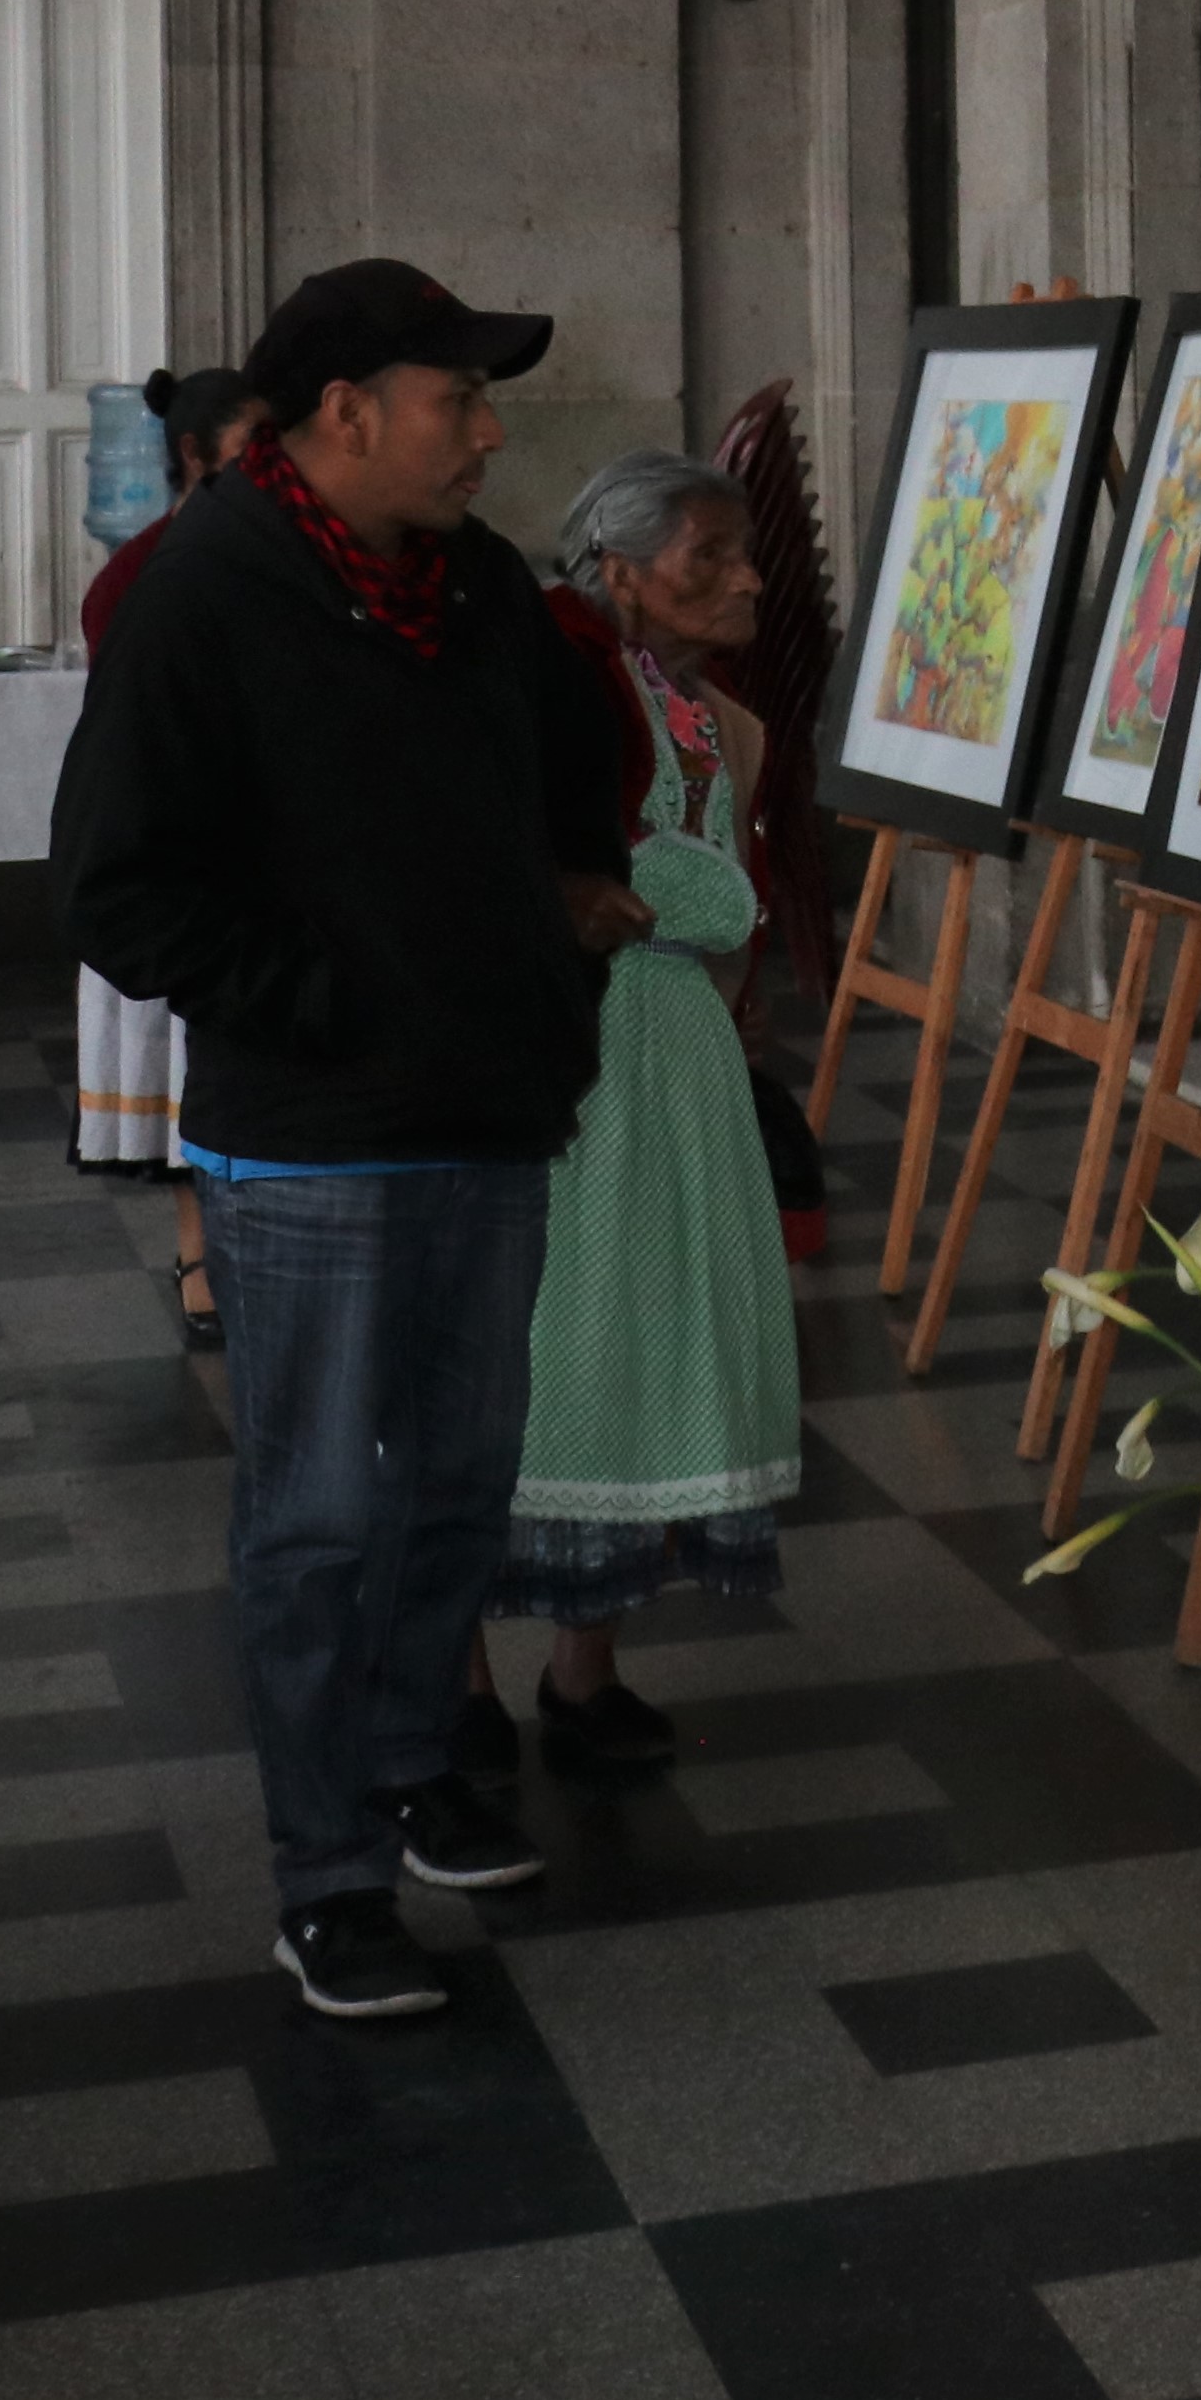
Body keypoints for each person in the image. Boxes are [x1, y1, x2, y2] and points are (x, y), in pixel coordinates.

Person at [52, 260, 651, 2024]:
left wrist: (546, 928)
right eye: (455, 395)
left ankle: (410, 1772)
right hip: (312, 1134)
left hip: (482, 1107)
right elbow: (116, 884)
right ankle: (324, 1873)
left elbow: (564, 782)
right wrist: (321, 998)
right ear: (340, 415)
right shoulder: (204, 594)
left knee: (460, 1476)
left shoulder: (470, 585)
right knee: (316, 1513)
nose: (485, 427)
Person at [479, 452, 804, 1772]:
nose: (746, 577)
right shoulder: (554, 684)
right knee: (558, 1337)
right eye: (708, 555)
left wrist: (720, 928)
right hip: (584, 1052)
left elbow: (709, 884)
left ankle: (584, 1667)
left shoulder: (703, 706)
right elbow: (627, 869)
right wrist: (712, 902)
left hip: (675, 1062)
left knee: (652, 1330)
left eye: (743, 554)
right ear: (619, 569)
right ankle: (457, 1687)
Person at [71, 367, 274, 1351]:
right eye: (251, 449)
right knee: (179, 1067)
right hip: (183, 852)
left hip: (253, 855)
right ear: (194, 459)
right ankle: (199, 1247)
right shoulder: (143, 570)